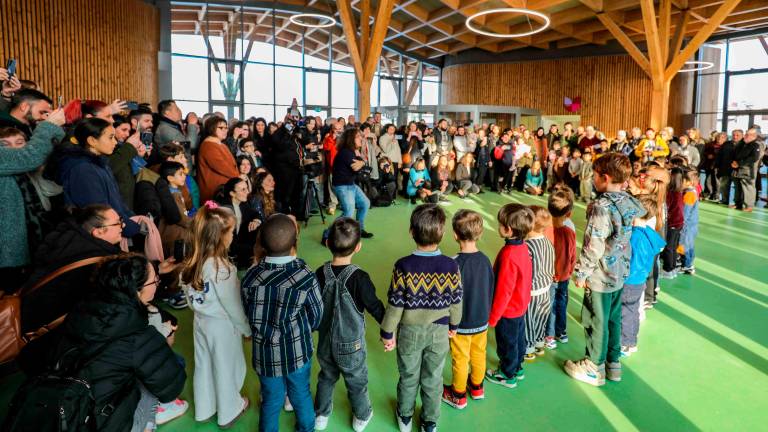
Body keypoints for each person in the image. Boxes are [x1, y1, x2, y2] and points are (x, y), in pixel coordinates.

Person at [21, 254, 186, 431]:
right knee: (154, 379)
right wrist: (163, 342)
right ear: (137, 291)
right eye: (155, 281)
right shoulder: (139, 334)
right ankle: (145, 425)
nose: (157, 285)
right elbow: (170, 388)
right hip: (101, 422)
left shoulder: (80, 310)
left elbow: (30, 357)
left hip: (64, 407)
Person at [379, 204, 462, 432]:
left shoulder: (403, 265)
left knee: (408, 375)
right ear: (442, 233)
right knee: (433, 377)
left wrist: (387, 333)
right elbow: (456, 301)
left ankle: (405, 416)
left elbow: (395, 305)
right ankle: (429, 421)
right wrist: (454, 325)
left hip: (409, 332)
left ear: (411, 232)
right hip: (439, 333)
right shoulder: (451, 265)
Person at [564, 152, 643, 387]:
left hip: (601, 274)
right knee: (613, 319)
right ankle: (612, 364)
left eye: (595, 176)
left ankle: (593, 367)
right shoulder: (629, 201)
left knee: (596, 319)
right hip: (620, 271)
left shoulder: (601, 206)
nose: (593, 179)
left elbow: (594, 244)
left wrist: (582, 272)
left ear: (605, 178)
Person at [242, 213, 323, 432]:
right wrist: (307, 328)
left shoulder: (250, 277)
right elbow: (317, 314)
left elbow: (247, 312)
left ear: (261, 243)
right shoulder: (305, 275)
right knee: (301, 394)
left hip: (265, 354)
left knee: (271, 400)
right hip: (297, 351)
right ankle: (306, 428)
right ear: (295, 242)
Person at [180, 204, 251, 428]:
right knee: (226, 366)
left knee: (204, 366)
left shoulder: (189, 265)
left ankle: (205, 408)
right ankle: (229, 410)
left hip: (200, 324)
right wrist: (246, 329)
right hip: (222, 327)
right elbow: (233, 306)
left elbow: (191, 301)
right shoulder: (222, 268)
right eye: (230, 232)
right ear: (220, 236)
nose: (233, 235)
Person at [313, 218, 384, 431]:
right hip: (351, 344)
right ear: (358, 247)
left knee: (326, 377)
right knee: (356, 381)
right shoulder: (359, 278)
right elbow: (375, 307)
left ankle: (321, 415)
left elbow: (314, 306)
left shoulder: (320, 273)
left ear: (327, 244)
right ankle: (362, 416)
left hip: (325, 340)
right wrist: (389, 330)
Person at [0, 108, 65, 290]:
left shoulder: (26, 171)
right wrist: (49, 126)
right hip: (8, 255)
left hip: (30, 246)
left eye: (19, 142)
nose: (13, 149)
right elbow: (30, 156)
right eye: (5, 145)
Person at [441, 210, 494, 410]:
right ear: (479, 234)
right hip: (482, 321)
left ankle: (458, 394)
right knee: (479, 353)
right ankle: (477, 387)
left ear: (455, 235)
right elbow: (490, 287)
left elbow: (447, 297)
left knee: (460, 358)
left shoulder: (453, 264)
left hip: (461, 324)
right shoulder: (486, 260)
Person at [57, 117, 141, 237]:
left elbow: (117, 201)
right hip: (97, 237)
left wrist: (134, 220)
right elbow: (99, 212)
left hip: (115, 228)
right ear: (92, 140)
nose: (115, 142)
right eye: (110, 137)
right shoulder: (83, 170)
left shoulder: (100, 163)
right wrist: (133, 228)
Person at [485, 203, 534, 388]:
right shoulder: (522, 248)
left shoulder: (509, 254)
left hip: (508, 310)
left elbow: (504, 290)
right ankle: (517, 367)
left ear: (508, 229)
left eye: (500, 224)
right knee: (518, 339)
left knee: (507, 343)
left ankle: (507, 374)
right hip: (520, 306)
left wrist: (493, 317)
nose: (498, 226)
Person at [621, 195, 666, 357]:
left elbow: (629, 259)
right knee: (632, 311)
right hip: (640, 279)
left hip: (629, 279)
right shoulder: (649, 234)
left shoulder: (635, 236)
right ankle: (631, 340)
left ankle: (625, 343)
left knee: (624, 311)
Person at [545, 187, 577, 349]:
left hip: (550, 277)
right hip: (564, 276)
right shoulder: (570, 231)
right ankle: (561, 332)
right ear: (569, 213)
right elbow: (572, 256)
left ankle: (549, 335)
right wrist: (569, 271)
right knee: (562, 303)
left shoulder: (545, 230)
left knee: (549, 305)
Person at [522, 206, 555, 362]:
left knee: (529, 320)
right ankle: (539, 342)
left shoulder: (528, 246)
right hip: (546, 290)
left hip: (532, 292)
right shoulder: (548, 243)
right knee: (541, 318)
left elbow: (528, 271)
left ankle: (528, 348)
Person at [331, 128, 373, 238]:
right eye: (358, 136)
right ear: (351, 139)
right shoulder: (346, 152)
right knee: (348, 212)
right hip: (342, 186)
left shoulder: (351, 152)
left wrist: (362, 163)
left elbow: (363, 165)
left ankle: (359, 229)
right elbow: (358, 169)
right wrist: (363, 164)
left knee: (365, 204)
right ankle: (328, 235)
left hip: (350, 184)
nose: (361, 138)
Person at [196, 116, 239, 202]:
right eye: (221, 128)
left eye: (226, 128)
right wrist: (238, 177)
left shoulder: (221, 144)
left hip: (225, 190)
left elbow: (232, 166)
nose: (225, 130)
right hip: (215, 193)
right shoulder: (208, 145)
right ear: (211, 128)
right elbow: (224, 168)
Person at [731, 128, 761, 212]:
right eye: (746, 134)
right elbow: (735, 154)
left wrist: (739, 163)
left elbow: (754, 158)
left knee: (748, 188)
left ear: (754, 136)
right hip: (737, 169)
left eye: (748, 135)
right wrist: (733, 162)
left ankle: (749, 206)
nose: (745, 136)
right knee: (738, 187)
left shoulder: (755, 145)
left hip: (747, 170)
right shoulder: (742, 144)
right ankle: (738, 204)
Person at [679, 169, 700, 274]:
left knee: (685, 245)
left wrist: (680, 222)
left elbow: (685, 212)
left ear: (689, 182)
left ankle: (687, 265)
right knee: (690, 245)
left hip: (687, 225)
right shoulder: (693, 191)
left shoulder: (689, 194)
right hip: (692, 225)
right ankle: (689, 264)